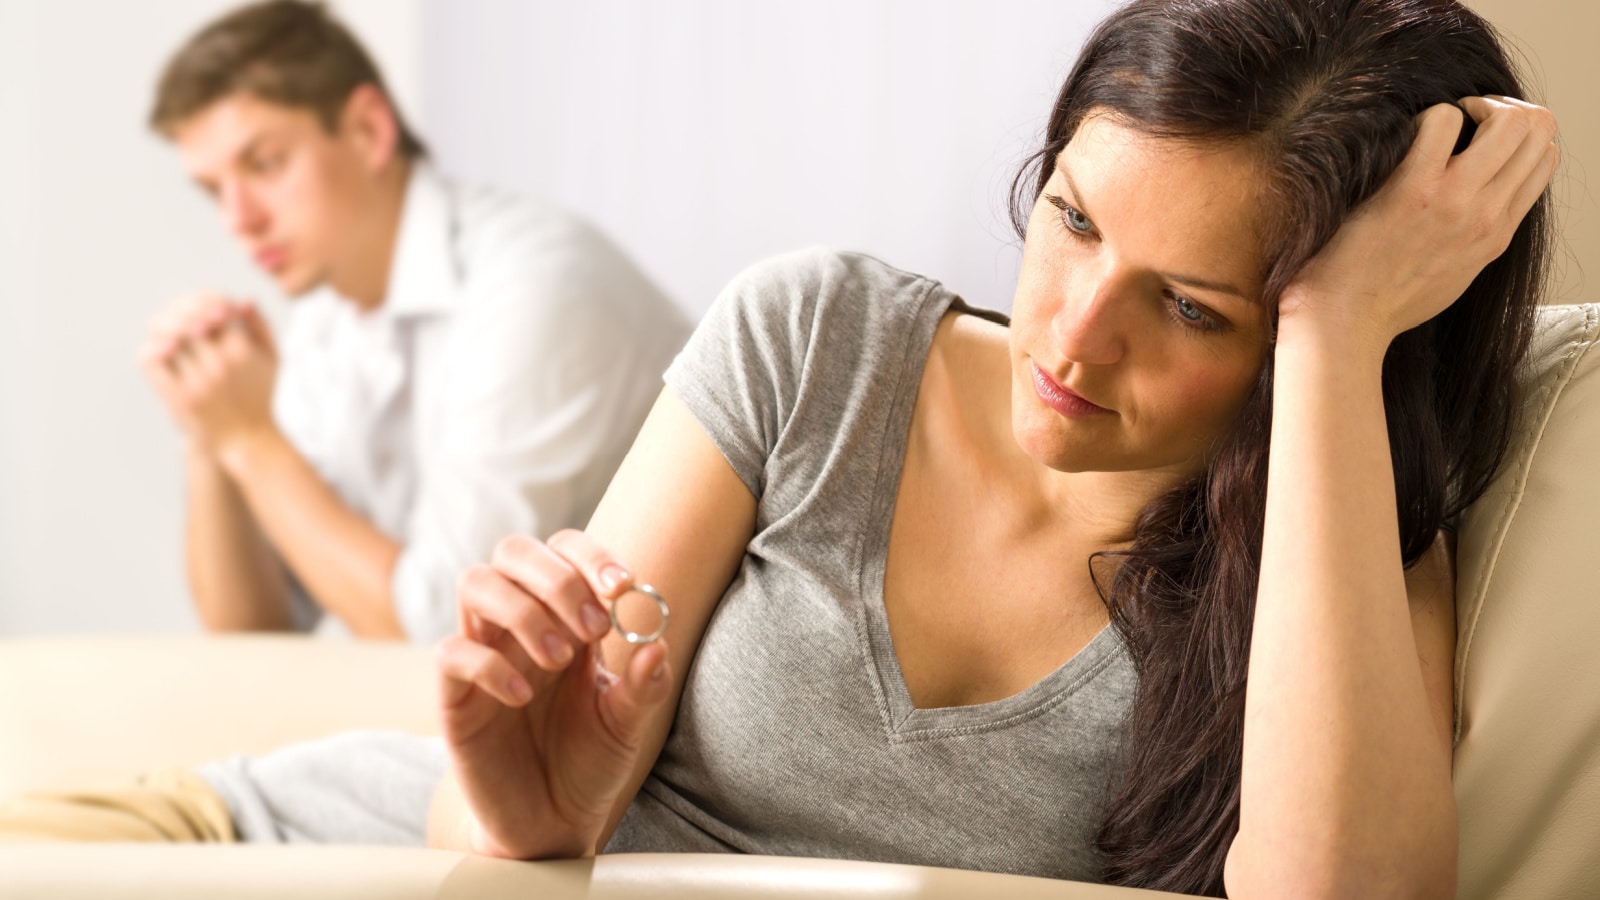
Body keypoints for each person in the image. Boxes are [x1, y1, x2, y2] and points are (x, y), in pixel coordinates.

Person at [0, 0, 1559, 896]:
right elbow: (500, 829)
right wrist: (525, 802)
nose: (1073, 339)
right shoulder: (819, 340)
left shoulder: (1328, 554)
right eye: (1073, 218)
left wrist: (1338, 334)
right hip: (301, 842)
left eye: (1195, 308)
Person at [137, 0, 690, 642]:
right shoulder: (326, 319)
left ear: (370, 130)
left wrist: (254, 441)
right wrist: (211, 436)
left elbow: (443, 636)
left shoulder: (534, 289)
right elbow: (255, 636)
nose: (238, 219)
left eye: (264, 164)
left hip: (654, 709)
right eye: (213, 189)